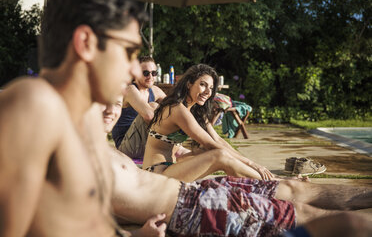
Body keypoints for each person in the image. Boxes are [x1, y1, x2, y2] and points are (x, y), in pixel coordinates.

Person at [0, 0, 166, 236]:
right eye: (128, 51)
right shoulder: (35, 104)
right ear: (86, 42)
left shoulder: (87, 120)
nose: (134, 70)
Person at [101, 88, 372, 237]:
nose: (112, 110)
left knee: (296, 192)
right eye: (101, 102)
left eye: (115, 103)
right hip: (194, 210)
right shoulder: (79, 162)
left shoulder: (97, 148)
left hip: (197, 194)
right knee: (328, 221)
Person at [142, 64, 275, 182]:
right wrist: (253, 164)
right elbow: (211, 145)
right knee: (219, 155)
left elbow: (217, 140)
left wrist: (253, 164)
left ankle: (267, 181)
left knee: (211, 152)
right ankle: (272, 182)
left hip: (171, 168)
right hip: (156, 174)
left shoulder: (194, 110)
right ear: (189, 84)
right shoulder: (177, 109)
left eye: (211, 88)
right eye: (203, 84)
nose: (208, 92)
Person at [111, 56, 167, 159]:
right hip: (126, 148)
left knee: (168, 110)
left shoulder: (155, 90)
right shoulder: (130, 90)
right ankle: (178, 149)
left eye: (154, 73)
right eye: (145, 73)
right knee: (154, 107)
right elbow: (149, 116)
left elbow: (176, 109)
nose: (150, 76)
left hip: (144, 144)